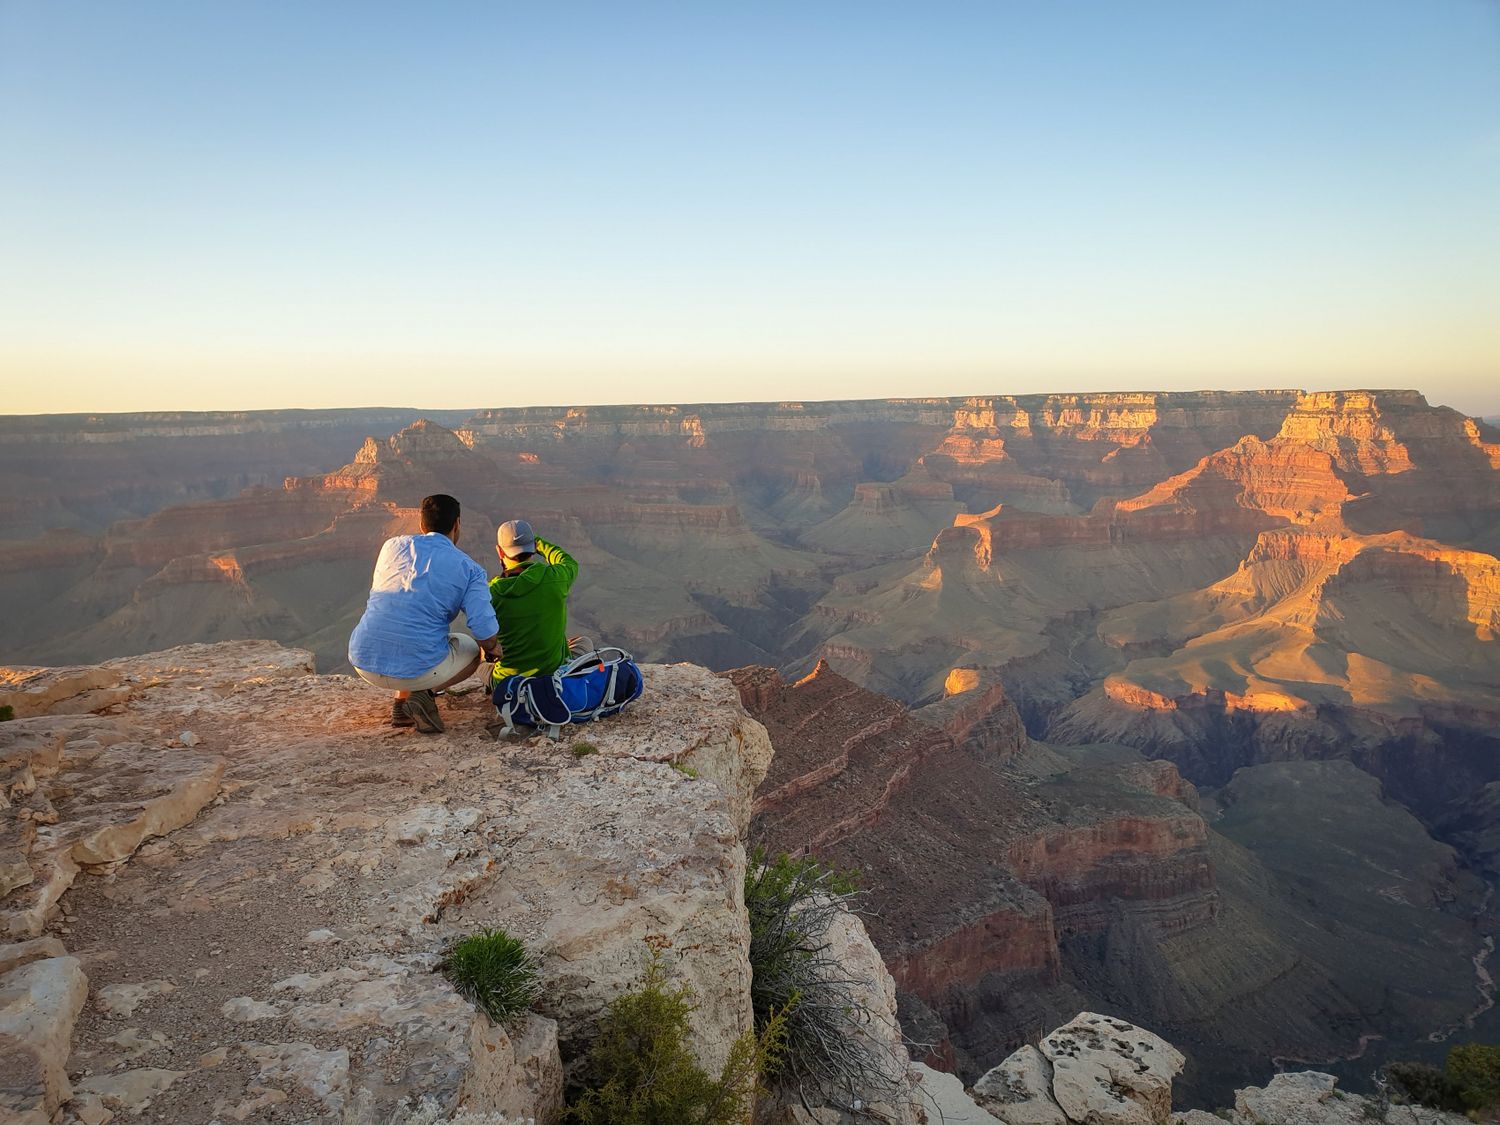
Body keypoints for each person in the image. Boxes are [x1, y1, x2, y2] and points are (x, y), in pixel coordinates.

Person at [348, 494, 500, 733]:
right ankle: (422, 694)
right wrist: (493, 649)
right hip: (417, 669)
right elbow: (485, 632)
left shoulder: (391, 547)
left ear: (421, 524)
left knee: (407, 628)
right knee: (471, 648)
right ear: (457, 524)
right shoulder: (470, 569)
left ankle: (401, 705)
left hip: (364, 661)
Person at [488, 519, 578, 685]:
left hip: (508, 682)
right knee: (583, 644)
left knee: (479, 663)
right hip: (553, 675)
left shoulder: (491, 593)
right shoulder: (556, 578)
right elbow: (568, 562)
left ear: (500, 552)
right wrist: (539, 543)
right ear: (533, 549)